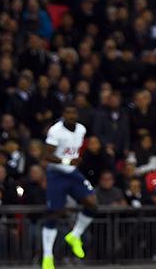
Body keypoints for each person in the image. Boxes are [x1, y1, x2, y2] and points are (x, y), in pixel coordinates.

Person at [42, 104, 98, 269]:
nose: (71, 115)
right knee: (54, 213)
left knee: (92, 204)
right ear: (63, 114)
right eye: (68, 112)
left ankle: (74, 235)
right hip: (56, 174)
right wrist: (66, 161)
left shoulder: (81, 129)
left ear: (77, 114)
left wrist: (74, 161)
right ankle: (47, 257)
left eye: (74, 112)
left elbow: (76, 150)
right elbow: (46, 155)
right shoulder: (55, 131)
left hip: (73, 173)